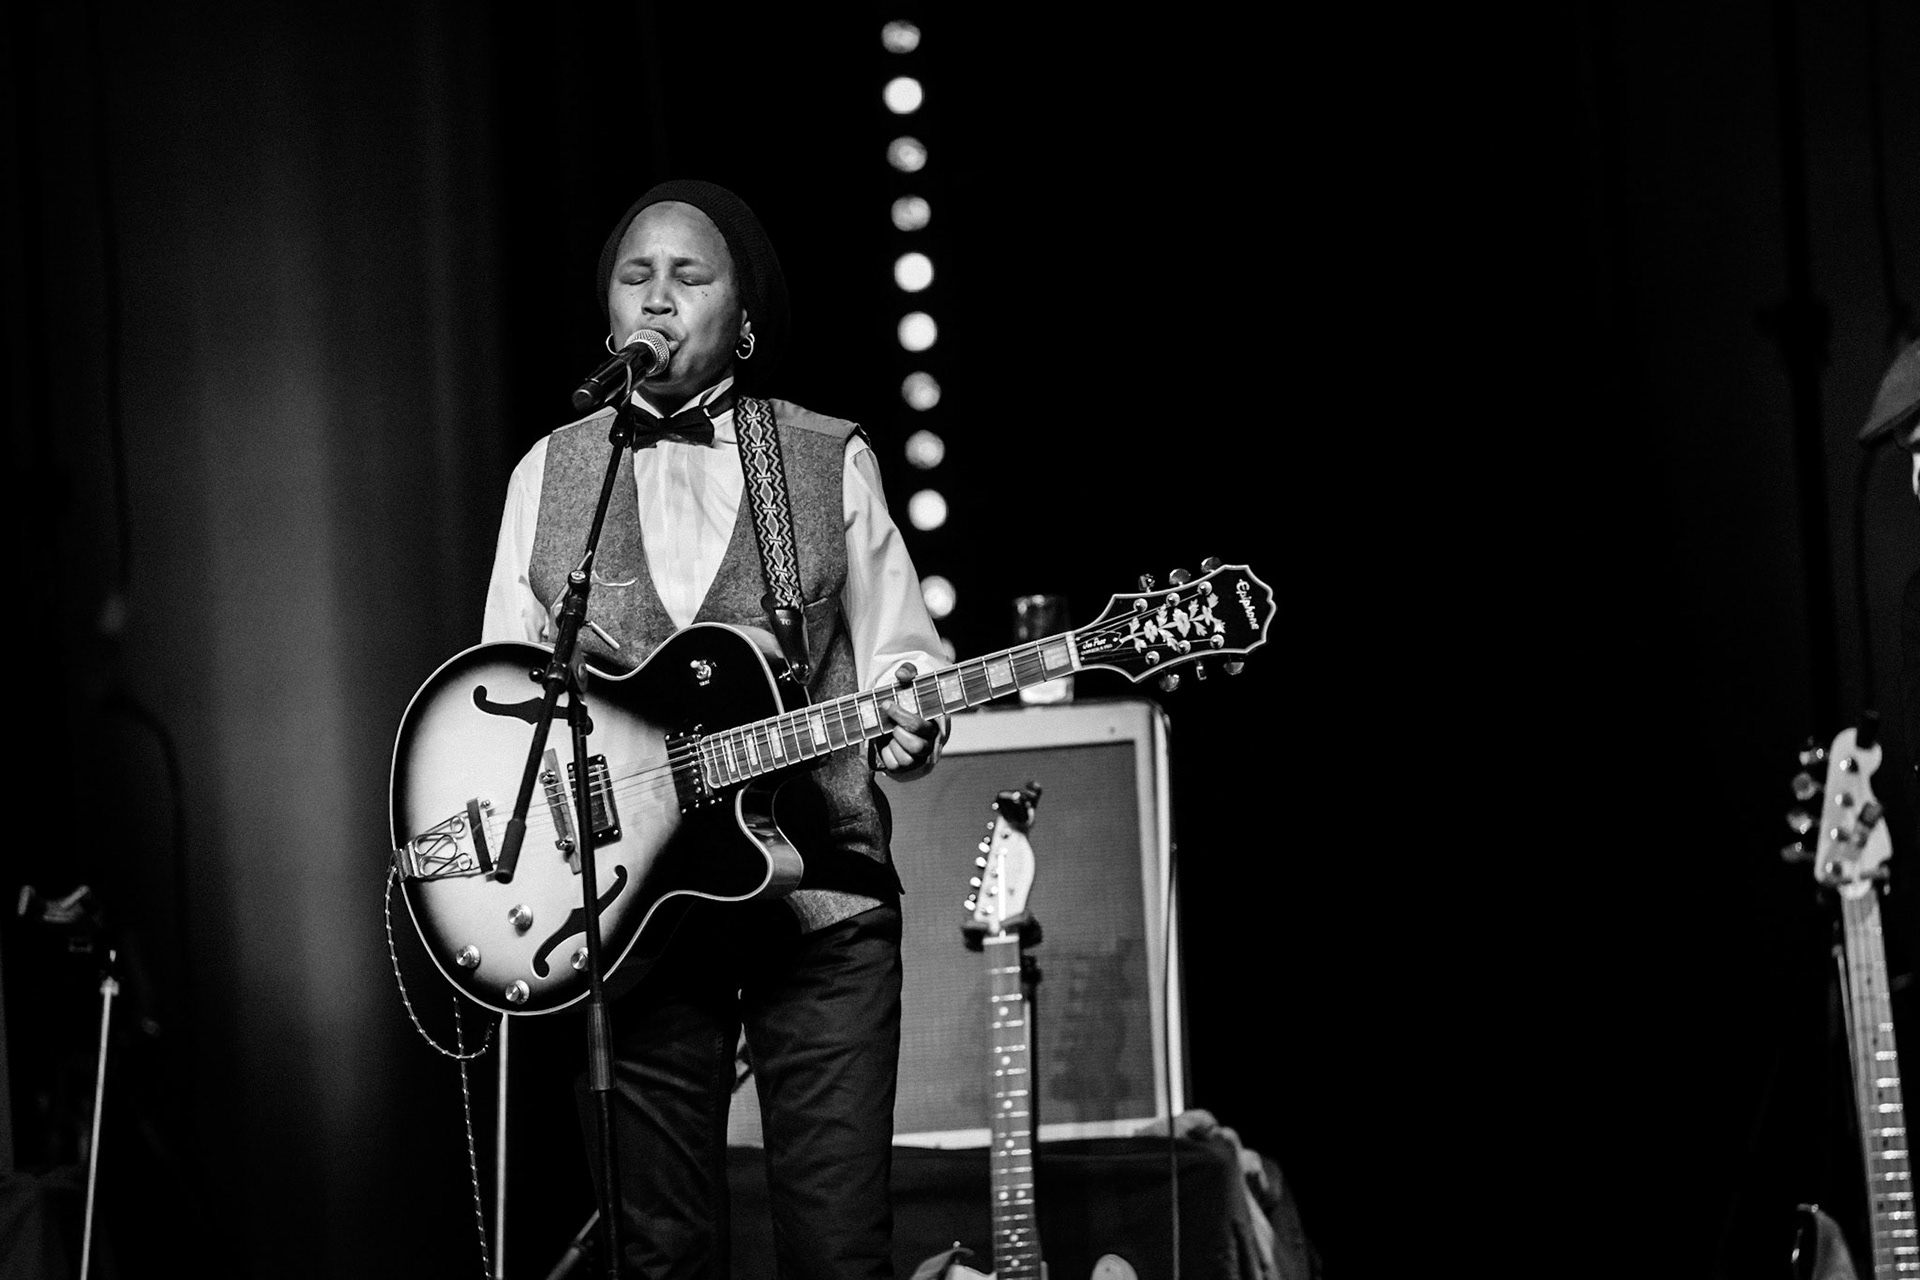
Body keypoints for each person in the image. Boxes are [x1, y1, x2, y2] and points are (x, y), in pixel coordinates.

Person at [481, 177, 949, 1278]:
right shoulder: (554, 473)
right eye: (636, 277)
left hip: (819, 897)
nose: (658, 297)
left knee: (838, 1251)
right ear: (609, 315)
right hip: (633, 919)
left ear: (744, 314)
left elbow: (906, 654)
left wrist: (911, 713)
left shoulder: (826, 454)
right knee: (663, 1256)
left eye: (689, 276)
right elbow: (503, 699)